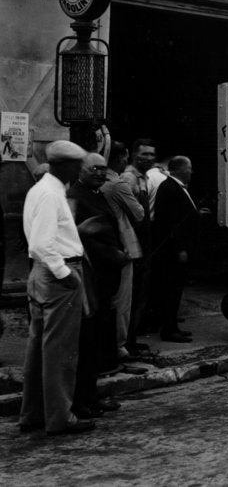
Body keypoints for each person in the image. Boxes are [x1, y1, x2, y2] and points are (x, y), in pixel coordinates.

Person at [18, 140, 96, 436]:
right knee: (60, 350)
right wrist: (66, 274)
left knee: (39, 348)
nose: (79, 171)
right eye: (77, 166)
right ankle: (60, 417)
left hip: (41, 273)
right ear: (64, 165)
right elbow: (42, 244)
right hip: (57, 273)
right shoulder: (51, 194)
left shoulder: (41, 190)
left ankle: (34, 413)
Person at [67, 153, 128, 417]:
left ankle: (91, 395)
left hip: (105, 277)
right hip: (91, 277)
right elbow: (78, 239)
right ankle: (83, 399)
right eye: (94, 168)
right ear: (80, 170)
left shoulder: (97, 193)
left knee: (97, 341)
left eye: (103, 169)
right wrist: (113, 254)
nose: (100, 173)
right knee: (88, 342)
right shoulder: (75, 196)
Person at [101, 141, 144, 358]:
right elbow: (139, 213)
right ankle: (120, 345)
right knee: (123, 299)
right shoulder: (118, 184)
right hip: (123, 244)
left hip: (104, 244)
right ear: (120, 158)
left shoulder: (100, 181)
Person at [151, 156, 199, 343]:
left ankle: (173, 326)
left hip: (181, 248)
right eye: (189, 168)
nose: (191, 172)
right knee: (171, 290)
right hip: (173, 251)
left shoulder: (177, 187)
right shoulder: (169, 188)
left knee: (176, 290)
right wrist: (180, 248)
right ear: (179, 169)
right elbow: (169, 223)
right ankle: (169, 330)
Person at [121, 138, 156, 351]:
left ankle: (132, 338)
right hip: (134, 241)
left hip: (143, 242)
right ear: (134, 155)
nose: (149, 158)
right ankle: (127, 341)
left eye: (152, 154)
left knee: (140, 293)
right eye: (145, 154)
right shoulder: (129, 178)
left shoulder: (144, 177)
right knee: (132, 295)